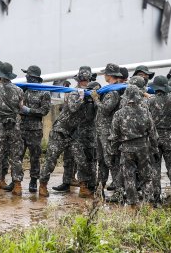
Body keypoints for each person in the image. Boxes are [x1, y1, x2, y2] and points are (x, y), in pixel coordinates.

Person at [38, 67, 96, 198]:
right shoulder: (73, 93)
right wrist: (82, 96)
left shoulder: (89, 96)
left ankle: (83, 187)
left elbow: (90, 116)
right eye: (83, 80)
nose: (85, 83)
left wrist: (93, 100)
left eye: (87, 80)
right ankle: (42, 185)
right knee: (51, 160)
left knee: (81, 160)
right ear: (80, 81)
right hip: (60, 131)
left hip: (73, 133)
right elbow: (73, 107)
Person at [109, 85, 156, 207]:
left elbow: (114, 136)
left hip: (126, 148)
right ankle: (149, 203)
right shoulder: (145, 111)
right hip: (143, 147)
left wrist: (112, 151)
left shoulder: (119, 114)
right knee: (146, 176)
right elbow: (152, 133)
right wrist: (154, 149)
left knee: (128, 176)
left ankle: (133, 204)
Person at [0, 62, 26, 196]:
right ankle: (17, 186)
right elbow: (21, 108)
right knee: (16, 156)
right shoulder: (19, 90)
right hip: (14, 124)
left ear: (0, 75)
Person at [147, 75, 171, 203]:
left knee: (155, 168)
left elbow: (146, 122)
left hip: (154, 139)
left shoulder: (150, 102)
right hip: (170, 137)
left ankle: (156, 199)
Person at [19, 65, 51, 192]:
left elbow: (44, 111)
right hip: (22, 127)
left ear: (33, 77)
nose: (26, 77)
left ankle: (33, 181)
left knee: (34, 157)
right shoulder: (24, 90)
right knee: (17, 156)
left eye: (28, 75)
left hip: (35, 130)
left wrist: (28, 110)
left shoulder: (44, 92)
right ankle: (16, 180)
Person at [94, 63, 123, 192]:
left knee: (110, 159)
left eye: (105, 73)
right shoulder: (108, 89)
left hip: (107, 131)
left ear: (110, 75)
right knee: (101, 159)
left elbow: (106, 109)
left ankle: (118, 188)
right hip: (101, 131)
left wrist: (96, 99)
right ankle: (100, 185)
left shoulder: (113, 92)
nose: (104, 75)